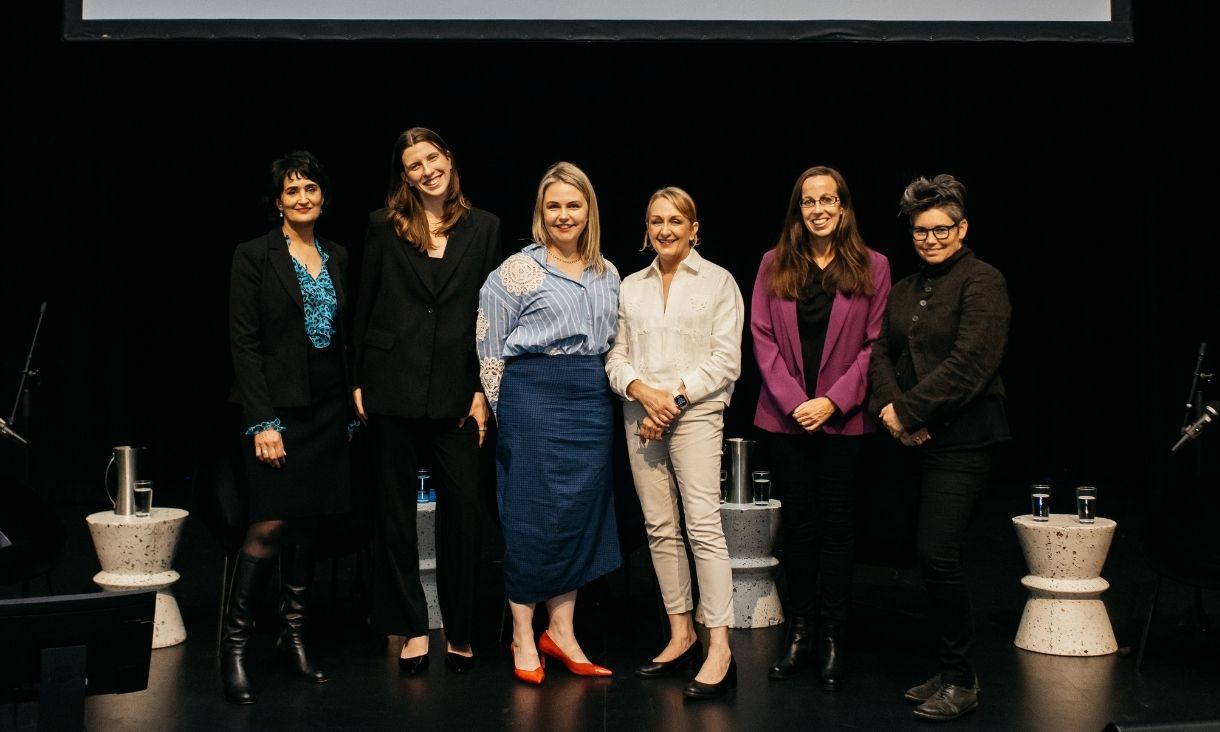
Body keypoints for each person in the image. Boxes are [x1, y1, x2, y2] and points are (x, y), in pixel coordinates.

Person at [351, 127, 502, 675]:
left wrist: (484, 390)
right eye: (413, 165)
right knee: (394, 514)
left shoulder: (484, 226)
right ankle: (412, 627)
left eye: (432, 158)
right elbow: (364, 302)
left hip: (457, 392)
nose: (425, 170)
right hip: (390, 383)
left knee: (463, 514)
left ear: (449, 159)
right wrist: (357, 380)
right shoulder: (382, 225)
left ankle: (460, 630)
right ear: (404, 175)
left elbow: (491, 320)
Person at [868, 173, 1010, 722]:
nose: (929, 239)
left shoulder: (983, 281)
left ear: (962, 227)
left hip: (967, 438)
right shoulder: (905, 288)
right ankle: (949, 667)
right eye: (921, 231)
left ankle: (962, 679)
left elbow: (973, 361)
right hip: (913, 439)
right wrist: (891, 411)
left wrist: (909, 409)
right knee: (926, 559)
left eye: (940, 230)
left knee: (939, 553)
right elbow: (880, 353)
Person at [476, 161, 620, 685]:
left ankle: (561, 631)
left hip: (590, 398)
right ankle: (522, 632)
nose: (564, 215)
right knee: (530, 513)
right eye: (553, 205)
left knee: (579, 513)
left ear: (589, 211)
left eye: (573, 205)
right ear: (541, 212)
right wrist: (506, 412)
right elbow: (489, 351)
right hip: (532, 395)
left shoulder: (608, 273)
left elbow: (613, 347)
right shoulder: (516, 271)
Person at [751, 165, 890, 691]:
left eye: (828, 200)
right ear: (798, 210)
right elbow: (761, 338)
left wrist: (831, 401)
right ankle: (800, 631)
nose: (819, 210)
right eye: (809, 202)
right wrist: (796, 403)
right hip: (786, 422)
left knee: (837, 529)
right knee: (800, 529)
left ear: (844, 206)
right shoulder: (772, 265)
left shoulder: (874, 266)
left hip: (843, 420)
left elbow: (876, 346)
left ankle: (834, 634)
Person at [605, 186, 745, 700]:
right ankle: (681, 634)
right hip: (640, 413)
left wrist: (672, 403)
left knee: (703, 525)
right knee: (660, 528)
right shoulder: (630, 285)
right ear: (647, 227)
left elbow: (725, 359)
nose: (665, 229)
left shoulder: (719, 282)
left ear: (694, 228)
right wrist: (642, 392)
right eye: (656, 220)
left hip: (695, 413)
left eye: (675, 221)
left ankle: (720, 648)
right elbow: (615, 355)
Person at [224, 150, 352, 704]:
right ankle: (233, 650)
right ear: (278, 200)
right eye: (292, 191)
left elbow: (343, 338)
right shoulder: (253, 255)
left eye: (311, 189)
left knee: (307, 525)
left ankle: (292, 638)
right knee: (270, 524)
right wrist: (262, 421)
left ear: (323, 196)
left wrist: (350, 404)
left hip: (326, 409)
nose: (303, 199)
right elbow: (244, 343)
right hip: (277, 411)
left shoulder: (339, 255)